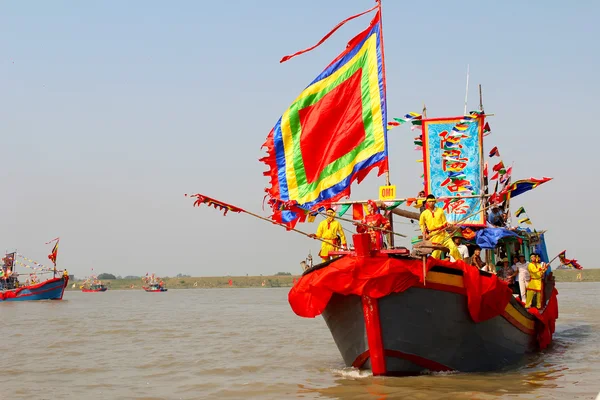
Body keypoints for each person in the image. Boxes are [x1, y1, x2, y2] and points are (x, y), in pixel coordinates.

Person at [419, 195, 462, 260]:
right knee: (436, 253)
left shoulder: (440, 210)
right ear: (427, 202)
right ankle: (432, 265)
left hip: (443, 233)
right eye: (430, 201)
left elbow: (444, 222)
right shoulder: (424, 213)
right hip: (434, 235)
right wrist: (425, 234)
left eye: (433, 201)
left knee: (453, 248)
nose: (431, 203)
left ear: (435, 202)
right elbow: (422, 225)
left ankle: (461, 263)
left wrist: (448, 224)